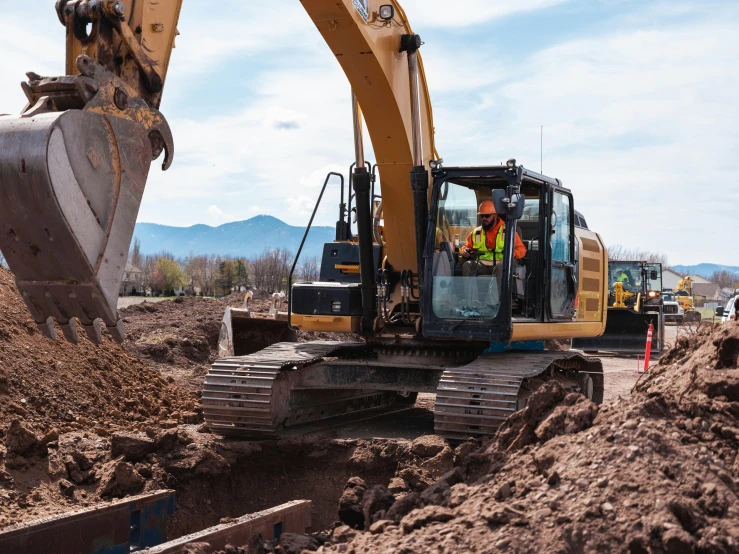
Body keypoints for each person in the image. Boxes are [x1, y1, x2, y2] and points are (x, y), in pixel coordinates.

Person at [461, 199, 527, 280]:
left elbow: (522, 250)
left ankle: (495, 293)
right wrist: (465, 251)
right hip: (482, 265)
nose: (484, 218)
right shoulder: (476, 232)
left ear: (495, 215)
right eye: (482, 216)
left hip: (502, 265)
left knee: (501, 267)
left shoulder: (508, 231)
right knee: (467, 265)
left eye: (487, 215)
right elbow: (466, 246)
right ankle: (469, 293)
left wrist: (513, 253)